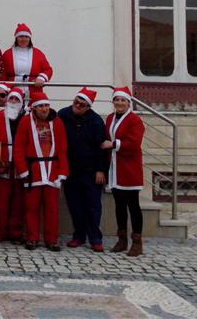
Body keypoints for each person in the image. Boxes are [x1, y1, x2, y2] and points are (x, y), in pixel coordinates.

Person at [14, 92, 69, 251]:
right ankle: (32, 238)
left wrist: (62, 172)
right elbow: (19, 148)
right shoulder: (25, 122)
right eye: (40, 106)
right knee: (31, 207)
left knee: (52, 208)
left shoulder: (57, 122)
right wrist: (23, 170)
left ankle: (51, 239)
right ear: (34, 108)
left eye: (46, 105)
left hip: (52, 171)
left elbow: (63, 149)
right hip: (33, 171)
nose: (44, 109)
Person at [58, 87, 108, 252]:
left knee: (93, 206)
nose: (77, 105)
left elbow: (101, 147)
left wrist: (101, 170)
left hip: (91, 170)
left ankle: (95, 237)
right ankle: (78, 235)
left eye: (81, 104)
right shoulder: (63, 115)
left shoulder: (96, 122)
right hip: (70, 170)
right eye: (75, 102)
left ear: (88, 107)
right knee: (74, 205)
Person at [101, 87, 146, 257]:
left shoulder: (135, 120)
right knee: (119, 205)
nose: (119, 103)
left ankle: (137, 241)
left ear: (129, 102)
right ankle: (122, 239)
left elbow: (134, 143)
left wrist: (113, 145)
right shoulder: (111, 118)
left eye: (122, 100)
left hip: (129, 167)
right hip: (115, 167)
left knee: (133, 205)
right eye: (116, 100)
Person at [0, 87, 26, 243]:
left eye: (16, 100)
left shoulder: (26, 118)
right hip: (2, 161)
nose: (13, 102)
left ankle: (15, 232)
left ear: (21, 102)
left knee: (18, 202)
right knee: (0, 201)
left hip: (20, 164)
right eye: (11, 99)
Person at [1, 23, 53, 103]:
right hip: (12, 92)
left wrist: (41, 78)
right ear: (16, 38)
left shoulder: (38, 53)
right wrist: (4, 88)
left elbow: (48, 69)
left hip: (33, 91)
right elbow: (2, 73)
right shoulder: (7, 54)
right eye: (21, 37)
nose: (23, 39)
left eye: (26, 37)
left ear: (30, 38)